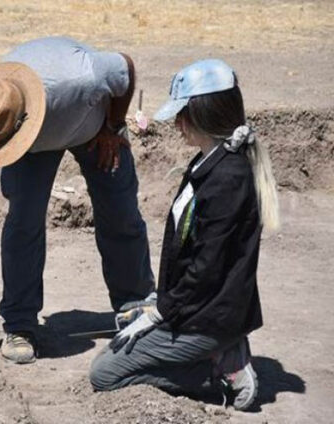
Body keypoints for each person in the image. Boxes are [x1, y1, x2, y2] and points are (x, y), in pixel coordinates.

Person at [0, 37, 155, 364]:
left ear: (25, 121)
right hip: (34, 146)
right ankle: (20, 324)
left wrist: (113, 125)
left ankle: (136, 304)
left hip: (93, 125)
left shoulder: (80, 78)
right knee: (23, 220)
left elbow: (125, 68)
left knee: (120, 209)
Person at [89, 59, 280, 411]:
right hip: (191, 309)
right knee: (115, 356)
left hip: (207, 319)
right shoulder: (208, 163)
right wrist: (162, 305)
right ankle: (215, 357)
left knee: (105, 375)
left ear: (205, 114)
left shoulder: (228, 178)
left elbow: (207, 266)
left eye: (183, 114)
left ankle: (221, 373)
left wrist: (160, 312)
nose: (177, 124)